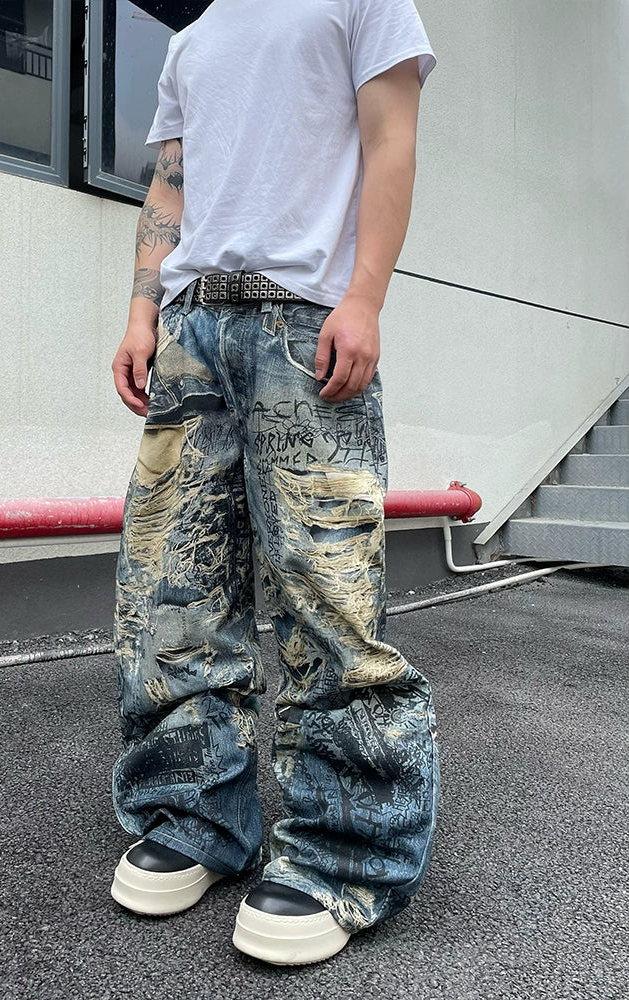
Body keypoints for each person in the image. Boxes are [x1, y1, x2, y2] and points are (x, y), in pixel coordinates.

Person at [110, 0, 438, 966]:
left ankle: (344, 850)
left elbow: (391, 139)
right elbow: (170, 182)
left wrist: (365, 297)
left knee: (323, 594)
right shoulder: (192, 36)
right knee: (171, 591)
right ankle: (196, 814)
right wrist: (142, 313)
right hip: (192, 326)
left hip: (304, 323)